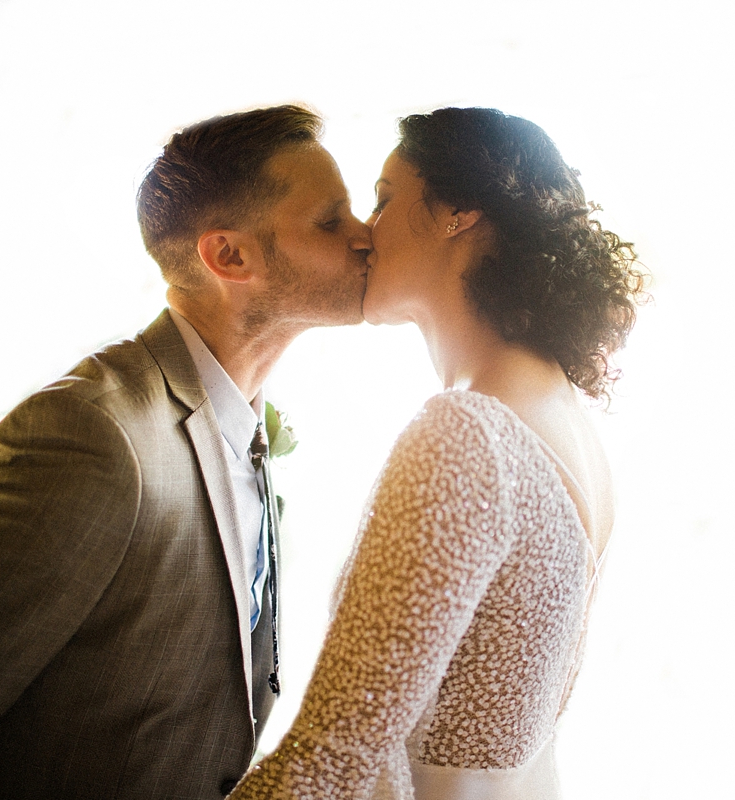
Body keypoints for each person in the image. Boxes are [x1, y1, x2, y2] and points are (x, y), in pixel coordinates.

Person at [0, 104, 372, 800]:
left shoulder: (251, 427)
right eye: (332, 221)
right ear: (228, 255)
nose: (366, 239)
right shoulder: (89, 435)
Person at [228, 107, 647, 799]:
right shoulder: (564, 420)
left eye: (386, 199)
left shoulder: (471, 436)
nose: (365, 233)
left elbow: (329, 764)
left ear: (456, 212)